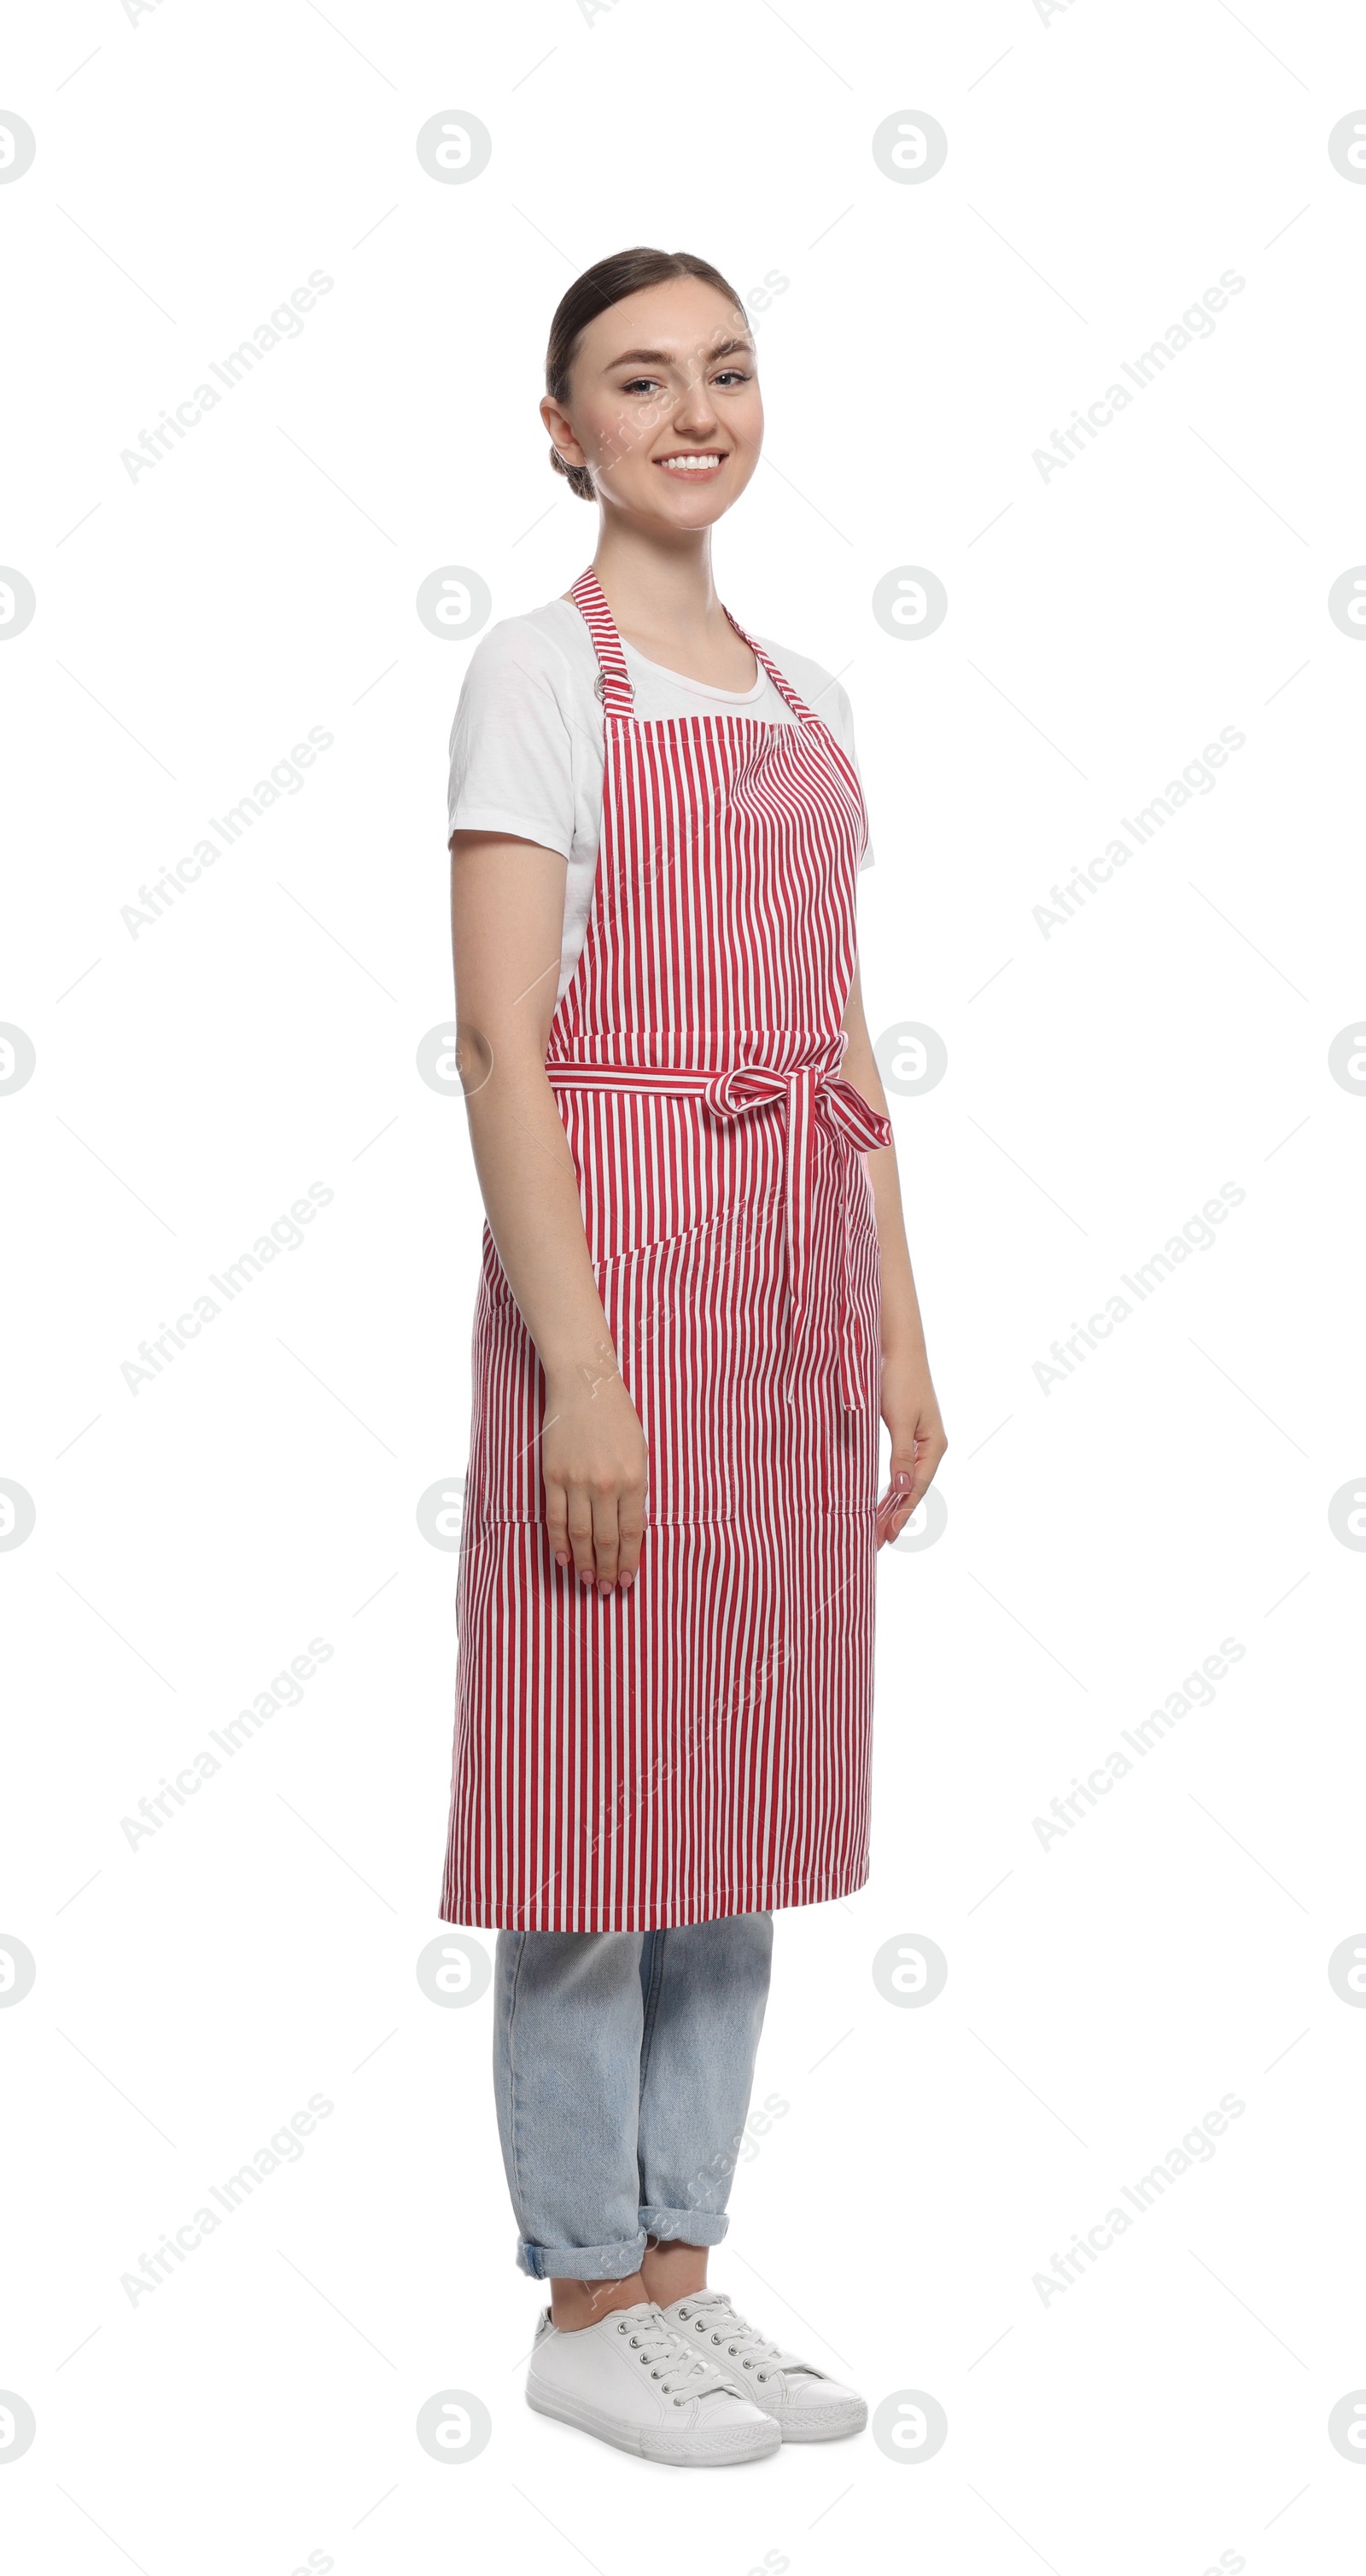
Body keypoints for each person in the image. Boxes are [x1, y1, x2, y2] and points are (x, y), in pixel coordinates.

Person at [440, 245, 946, 2468]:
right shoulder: (538, 680)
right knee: (586, 1788)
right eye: (639, 380)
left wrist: (900, 1340)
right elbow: (496, 1041)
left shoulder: (812, 687)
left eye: (727, 371)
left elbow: (840, 1037)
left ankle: (683, 2268)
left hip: (787, 1283)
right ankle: (575, 2290)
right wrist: (582, 1367)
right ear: (564, 429)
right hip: (620, 1255)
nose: (693, 410)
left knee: (731, 1808)